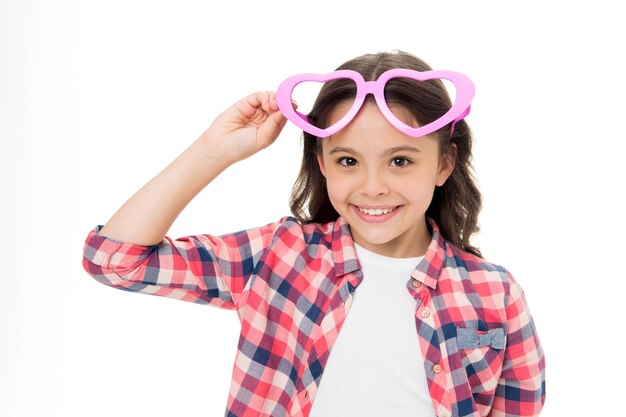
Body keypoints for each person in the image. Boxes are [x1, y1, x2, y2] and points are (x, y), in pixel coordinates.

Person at [82, 50, 546, 417]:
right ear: (322, 163)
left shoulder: (494, 292)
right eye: (348, 161)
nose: (372, 186)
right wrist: (214, 150)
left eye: (400, 160)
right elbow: (114, 261)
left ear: (444, 163)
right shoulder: (277, 257)